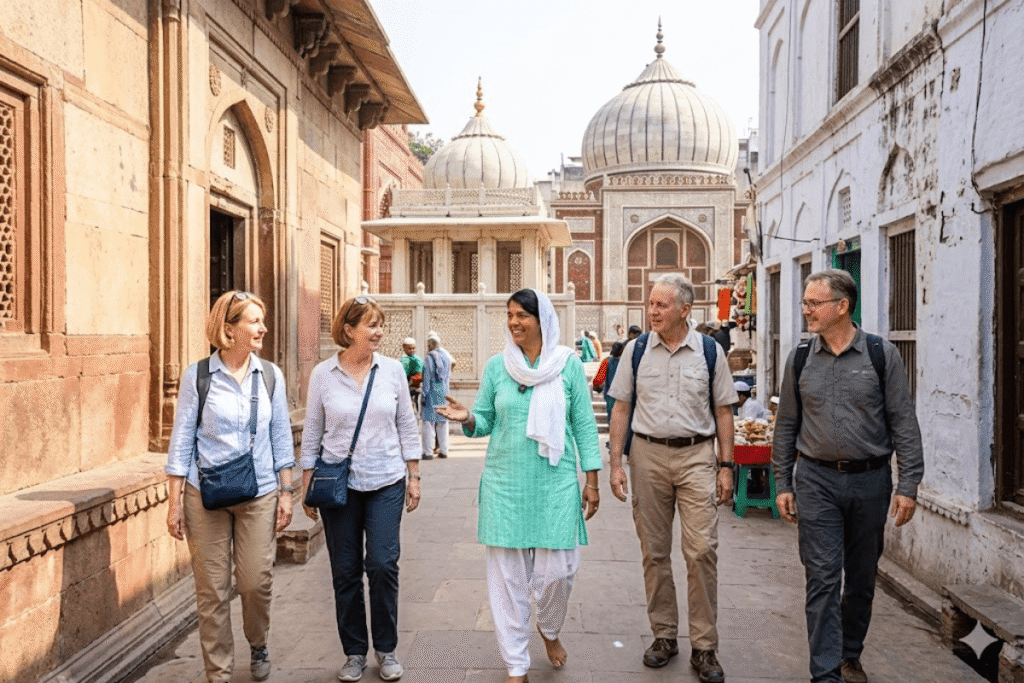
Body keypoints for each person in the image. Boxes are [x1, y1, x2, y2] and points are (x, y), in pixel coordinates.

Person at [436, 288, 601, 683]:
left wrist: (591, 479)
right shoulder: (498, 367)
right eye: (509, 315)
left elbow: (582, 425)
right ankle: (516, 665)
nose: (513, 323)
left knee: (557, 575)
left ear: (541, 319)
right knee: (507, 580)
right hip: (505, 482)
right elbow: (486, 422)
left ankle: (550, 628)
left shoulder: (567, 366)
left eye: (521, 316)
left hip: (555, 481)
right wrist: (468, 417)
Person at [772, 270, 923, 683]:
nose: (806, 310)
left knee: (860, 578)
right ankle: (825, 673)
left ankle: (849, 654)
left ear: (842, 306)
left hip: (870, 482)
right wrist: (783, 482)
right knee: (821, 578)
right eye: (805, 302)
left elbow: (903, 423)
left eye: (813, 303)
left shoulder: (880, 354)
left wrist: (908, 485)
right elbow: (786, 423)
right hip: (816, 481)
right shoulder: (801, 357)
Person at [607, 274, 738, 683]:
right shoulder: (636, 350)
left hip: (697, 455)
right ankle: (664, 635)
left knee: (701, 551)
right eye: (650, 305)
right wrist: (615, 463)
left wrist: (726, 465)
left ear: (685, 309)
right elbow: (621, 408)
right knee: (655, 551)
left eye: (661, 305)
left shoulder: (710, 351)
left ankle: (704, 645)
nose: (652, 312)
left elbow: (724, 412)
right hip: (646, 455)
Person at [165, 291, 294, 683]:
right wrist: (173, 503)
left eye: (262, 320)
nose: (263, 328)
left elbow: (281, 436)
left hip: (258, 492)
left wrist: (287, 492)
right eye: (254, 321)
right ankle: (218, 673)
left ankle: (258, 642)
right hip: (204, 494)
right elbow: (182, 440)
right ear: (228, 329)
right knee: (212, 592)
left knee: (255, 581)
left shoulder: (270, 375)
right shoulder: (198, 376)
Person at [301, 296, 422, 682]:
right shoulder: (323, 374)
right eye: (371, 324)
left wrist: (414, 474)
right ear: (349, 330)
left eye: (380, 324)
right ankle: (354, 651)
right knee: (346, 570)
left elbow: (407, 422)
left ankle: (385, 649)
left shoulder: (392, 371)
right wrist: (307, 483)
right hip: (339, 485)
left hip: (386, 479)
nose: (379, 331)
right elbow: (313, 431)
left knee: (383, 564)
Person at [420, 331, 451, 460]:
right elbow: (448, 376)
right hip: (443, 393)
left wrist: (423, 394)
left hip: (432, 393)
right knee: (442, 423)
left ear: (432, 344)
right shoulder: (446, 356)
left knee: (428, 423)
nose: (428, 346)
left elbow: (426, 379)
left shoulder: (429, 358)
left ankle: (428, 452)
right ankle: (444, 451)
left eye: (429, 344)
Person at [400, 337, 423, 411]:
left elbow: (419, 375)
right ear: (404, 348)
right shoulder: (403, 359)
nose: (412, 350)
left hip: (414, 388)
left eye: (413, 348)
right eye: (410, 348)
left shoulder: (417, 359)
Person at [602, 341, 625, 418]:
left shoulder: (607, 360)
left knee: (611, 415)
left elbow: (599, 378)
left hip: (609, 394)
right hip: (622, 394)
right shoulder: (625, 362)